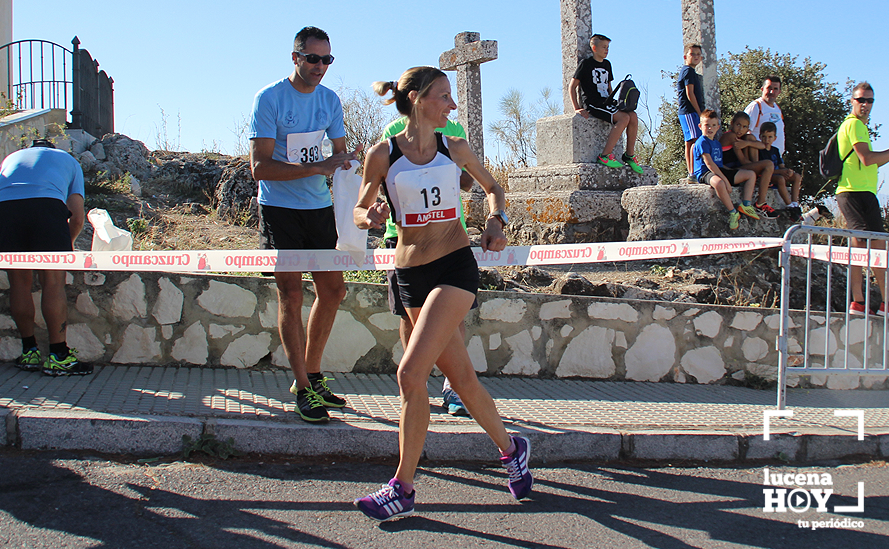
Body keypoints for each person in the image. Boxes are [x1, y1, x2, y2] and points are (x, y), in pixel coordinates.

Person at [353, 67, 533, 521]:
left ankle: (403, 488)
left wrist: (496, 221)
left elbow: (493, 189)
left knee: (410, 376)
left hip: (454, 268)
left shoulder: (455, 149)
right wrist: (369, 218)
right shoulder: (383, 155)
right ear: (416, 99)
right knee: (464, 380)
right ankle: (512, 449)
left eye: (452, 97)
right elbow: (358, 208)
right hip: (409, 274)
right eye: (444, 96)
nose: (452, 105)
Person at [248, 26, 360, 423]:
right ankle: (301, 386)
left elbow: (340, 155)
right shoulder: (270, 98)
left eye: (327, 59)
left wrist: (352, 165)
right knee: (291, 295)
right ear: (295, 57)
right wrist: (318, 166)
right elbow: (259, 168)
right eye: (313, 58)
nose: (320, 67)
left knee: (332, 289)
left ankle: (311, 377)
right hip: (279, 208)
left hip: (319, 208)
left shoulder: (330, 101)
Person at [380, 116, 472, 416]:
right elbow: (384, 181)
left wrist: (456, 174)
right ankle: (414, 383)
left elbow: (469, 181)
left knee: (453, 317)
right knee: (408, 318)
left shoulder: (454, 133)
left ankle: (454, 388)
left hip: (449, 237)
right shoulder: (392, 133)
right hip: (404, 239)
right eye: (442, 96)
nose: (449, 104)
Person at [0, 139, 88, 376]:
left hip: (5, 211)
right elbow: (77, 217)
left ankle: (29, 352)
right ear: (53, 148)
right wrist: (66, 245)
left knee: (18, 282)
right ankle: (59, 356)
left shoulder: (10, 158)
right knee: (52, 281)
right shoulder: (68, 160)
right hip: (46, 208)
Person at [835, 82, 889, 315]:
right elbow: (866, 158)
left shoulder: (859, 126)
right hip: (853, 191)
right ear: (852, 101)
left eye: (870, 101)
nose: (865, 105)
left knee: (871, 243)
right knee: (866, 242)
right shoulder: (854, 125)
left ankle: (870, 301)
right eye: (861, 100)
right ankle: (864, 301)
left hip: (863, 192)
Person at [569, 33, 643, 174]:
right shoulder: (586, 64)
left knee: (632, 115)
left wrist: (617, 103)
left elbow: (609, 86)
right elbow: (572, 86)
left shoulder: (607, 64)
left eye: (608, 47)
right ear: (594, 48)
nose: (606, 50)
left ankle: (629, 155)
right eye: (603, 47)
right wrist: (577, 108)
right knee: (623, 118)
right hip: (593, 103)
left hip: (606, 101)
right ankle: (604, 156)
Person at [693, 110, 760, 230]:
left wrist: (732, 173)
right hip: (705, 172)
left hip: (719, 170)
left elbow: (720, 165)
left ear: (718, 127)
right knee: (719, 183)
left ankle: (746, 204)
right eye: (707, 125)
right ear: (700, 126)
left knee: (750, 174)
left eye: (713, 125)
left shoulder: (717, 144)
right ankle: (733, 212)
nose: (710, 128)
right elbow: (710, 165)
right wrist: (726, 181)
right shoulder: (702, 142)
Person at [718, 112, 778, 217]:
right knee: (768, 165)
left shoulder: (745, 137)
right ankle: (760, 202)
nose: (740, 129)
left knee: (750, 139)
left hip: (739, 167)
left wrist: (748, 143)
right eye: (738, 125)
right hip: (730, 170)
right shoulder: (731, 136)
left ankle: (760, 179)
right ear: (732, 123)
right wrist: (758, 167)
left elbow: (762, 145)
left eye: (744, 127)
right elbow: (743, 161)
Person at [758, 121, 802, 219]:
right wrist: (780, 172)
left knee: (797, 176)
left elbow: (781, 165)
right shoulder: (759, 150)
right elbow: (762, 170)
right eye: (764, 137)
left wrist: (788, 171)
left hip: (779, 172)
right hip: (769, 176)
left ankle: (795, 203)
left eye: (770, 137)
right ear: (760, 137)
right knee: (780, 179)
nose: (766, 140)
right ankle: (789, 205)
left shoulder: (775, 150)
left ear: (775, 138)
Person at [677, 44, 704, 182]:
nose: (695, 57)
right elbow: (689, 93)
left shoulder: (690, 72)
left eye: (698, 54)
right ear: (685, 56)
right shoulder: (687, 71)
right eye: (693, 54)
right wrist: (699, 113)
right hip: (689, 111)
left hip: (689, 112)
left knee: (690, 141)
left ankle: (692, 172)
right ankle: (693, 172)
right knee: (695, 140)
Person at [745, 75, 785, 154]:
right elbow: (745, 133)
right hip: (761, 157)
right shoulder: (756, 106)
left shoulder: (777, 108)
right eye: (769, 88)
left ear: (779, 92)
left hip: (776, 157)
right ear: (762, 89)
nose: (772, 92)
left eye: (775, 89)